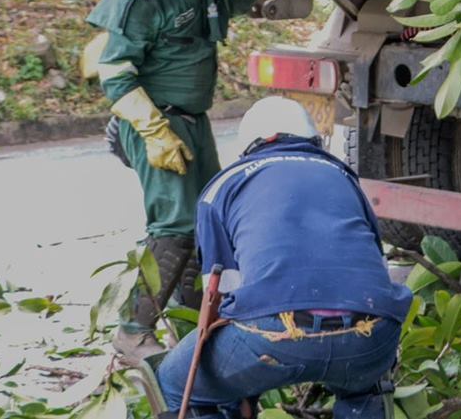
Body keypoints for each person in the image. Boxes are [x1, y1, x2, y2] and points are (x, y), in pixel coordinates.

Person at [92, 0, 294, 361]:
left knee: (206, 219)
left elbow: (227, 4)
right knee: (175, 226)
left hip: (192, 121)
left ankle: (191, 326)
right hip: (157, 122)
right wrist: (153, 131)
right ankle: (132, 330)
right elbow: (114, 72)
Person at [156, 97, 411, 419]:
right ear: (313, 140)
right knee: (364, 387)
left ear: (249, 146)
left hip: (276, 335)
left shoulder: (223, 185)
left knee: (174, 380)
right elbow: (374, 267)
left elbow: (219, 296)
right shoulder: (344, 177)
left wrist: (245, 382)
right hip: (371, 334)